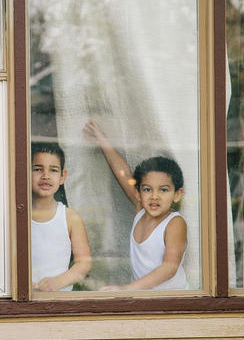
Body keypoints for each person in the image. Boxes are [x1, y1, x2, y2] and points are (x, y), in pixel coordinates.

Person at [83, 119, 188, 290]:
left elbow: (169, 267)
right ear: (138, 193)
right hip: (144, 300)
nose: (154, 197)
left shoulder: (175, 223)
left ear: (177, 195)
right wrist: (104, 142)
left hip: (171, 301)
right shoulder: (141, 211)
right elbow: (123, 174)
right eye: (147, 190)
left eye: (163, 190)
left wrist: (126, 289)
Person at [31, 142, 92, 291]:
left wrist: (58, 282)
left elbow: (84, 263)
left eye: (53, 170)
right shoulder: (16, 215)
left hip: (58, 301)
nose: (45, 176)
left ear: (62, 176)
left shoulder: (70, 217)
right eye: (38, 169)